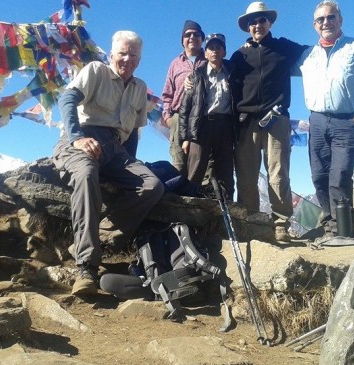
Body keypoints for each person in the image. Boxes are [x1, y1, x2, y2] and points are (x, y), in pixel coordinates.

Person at [53, 30, 165, 295]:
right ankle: (86, 268)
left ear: (139, 59)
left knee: (153, 184)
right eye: (122, 53)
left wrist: (131, 163)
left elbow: (133, 134)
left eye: (133, 55)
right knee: (87, 172)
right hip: (83, 137)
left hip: (116, 149)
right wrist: (77, 138)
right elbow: (67, 98)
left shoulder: (139, 89)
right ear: (112, 53)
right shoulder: (95, 70)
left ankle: (98, 238)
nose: (127, 59)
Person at [295, 0, 354, 237]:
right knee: (319, 175)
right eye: (320, 19)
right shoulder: (307, 55)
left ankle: (344, 229)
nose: (326, 22)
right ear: (314, 25)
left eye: (331, 17)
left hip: (347, 121)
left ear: (340, 20)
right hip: (316, 121)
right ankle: (329, 224)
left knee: (340, 174)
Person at [230, 2, 308, 242]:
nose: (257, 25)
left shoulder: (284, 47)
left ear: (269, 22)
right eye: (252, 22)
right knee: (246, 176)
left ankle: (280, 224)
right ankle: (251, 223)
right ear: (247, 27)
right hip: (246, 122)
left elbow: (318, 53)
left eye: (262, 20)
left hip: (276, 120)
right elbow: (229, 86)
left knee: (278, 174)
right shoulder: (239, 55)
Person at [178, 33, 235, 199]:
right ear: (206, 52)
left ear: (224, 51)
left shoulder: (233, 73)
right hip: (202, 126)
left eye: (219, 47)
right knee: (195, 171)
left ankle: (225, 215)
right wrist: (185, 138)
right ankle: (189, 217)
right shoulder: (196, 75)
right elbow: (184, 108)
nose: (215, 51)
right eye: (211, 48)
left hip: (226, 127)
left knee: (225, 173)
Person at [162, 20, 207, 176]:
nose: (192, 37)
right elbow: (167, 94)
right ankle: (177, 199)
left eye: (196, 34)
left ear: (202, 39)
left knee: (201, 163)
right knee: (179, 163)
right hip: (178, 118)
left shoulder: (209, 60)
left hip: (203, 119)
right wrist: (168, 118)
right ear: (182, 41)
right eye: (188, 35)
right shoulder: (175, 64)